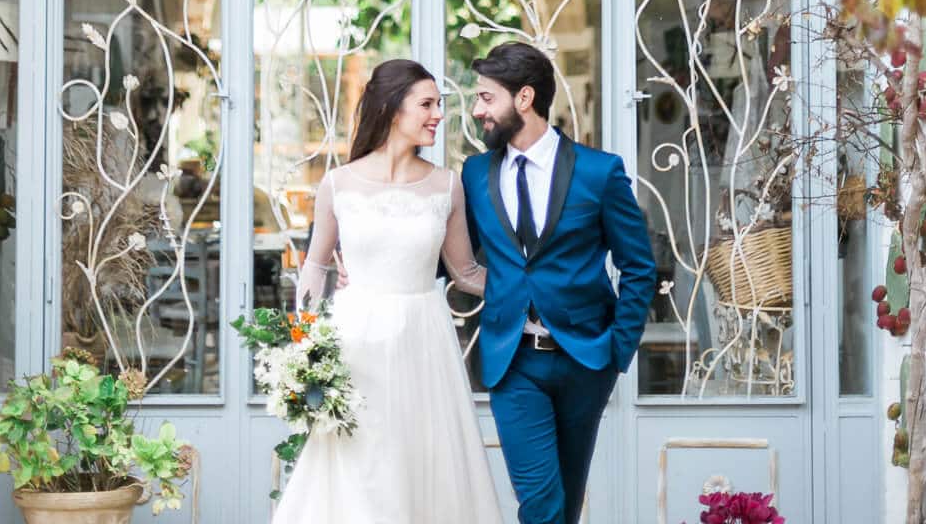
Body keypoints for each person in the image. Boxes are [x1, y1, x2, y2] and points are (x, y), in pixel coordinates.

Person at [274, 58, 502, 524]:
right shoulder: (339, 183)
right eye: (427, 104)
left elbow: (465, 274)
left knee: (422, 467)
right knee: (360, 469)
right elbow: (315, 268)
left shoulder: (447, 185)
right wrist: (306, 348)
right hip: (355, 345)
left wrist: (533, 290)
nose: (438, 114)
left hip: (425, 344)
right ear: (392, 107)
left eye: (439, 104)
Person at [463, 42, 657, 524]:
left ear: (523, 98)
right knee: (541, 504)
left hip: (585, 361)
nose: (477, 109)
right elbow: (453, 257)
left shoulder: (599, 171)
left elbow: (638, 267)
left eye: (487, 97)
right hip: (513, 363)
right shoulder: (473, 174)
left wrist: (617, 349)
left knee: (566, 505)